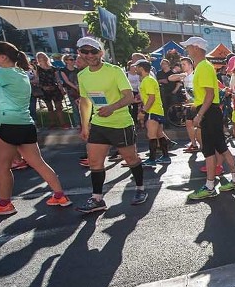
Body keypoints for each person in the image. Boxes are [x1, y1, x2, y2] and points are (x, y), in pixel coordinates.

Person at [0, 41, 70, 216]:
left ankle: (4, 205)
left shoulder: (3, 73)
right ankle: (60, 195)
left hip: (5, 124)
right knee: (39, 163)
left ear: (3, 57)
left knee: (2, 168)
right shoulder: (19, 72)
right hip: (25, 124)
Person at [74, 36, 148, 212]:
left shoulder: (114, 71)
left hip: (120, 123)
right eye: (85, 51)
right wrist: (85, 125)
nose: (89, 55)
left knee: (131, 159)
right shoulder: (82, 75)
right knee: (94, 162)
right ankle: (97, 198)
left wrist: (112, 108)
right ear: (80, 53)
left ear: (101, 52)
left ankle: (140, 189)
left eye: (93, 51)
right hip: (98, 124)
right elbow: (85, 101)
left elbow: (129, 97)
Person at [181, 37, 235, 199]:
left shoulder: (203, 67)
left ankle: (210, 186)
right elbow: (207, 95)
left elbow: (210, 94)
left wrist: (200, 114)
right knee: (220, 147)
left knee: (210, 150)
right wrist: (195, 105)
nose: (186, 50)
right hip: (209, 111)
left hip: (209, 113)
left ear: (196, 48)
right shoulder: (203, 66)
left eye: (188, 47)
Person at [135, 60, 170, 167]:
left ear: (141, 68)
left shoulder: (147, 80)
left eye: (136, 67)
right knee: (159, 134)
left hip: (152, 111)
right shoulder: (150, 80)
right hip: (158, 110)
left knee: (151, 135)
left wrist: (143, 111)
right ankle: (165, 157)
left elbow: (151, 97)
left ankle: (152, 159)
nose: (135, 69)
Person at [35, 52, 68, 129]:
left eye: (43, 57)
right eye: (39, 57)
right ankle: (52, 123)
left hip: (54, 88)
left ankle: (62, 123)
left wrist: (61, 88)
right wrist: (42, 87)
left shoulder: (53, 68)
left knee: (58, 107)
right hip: (44, 89)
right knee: (49, 107)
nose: (41, 58)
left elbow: (57, 79)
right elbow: (37, 79)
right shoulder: (37, 69)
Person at [58, 54, 82, 128]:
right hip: (71, 90)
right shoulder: (63, 70)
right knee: (75, 107)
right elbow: (67, 81)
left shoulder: (77, 70)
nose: (73, 61)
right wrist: (75, 87)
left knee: (81, 106)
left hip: (80, 89)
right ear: (66, 61)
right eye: (71, 60)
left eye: (73, 59)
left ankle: (83, 122)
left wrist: (79, 87)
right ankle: (77, 123)